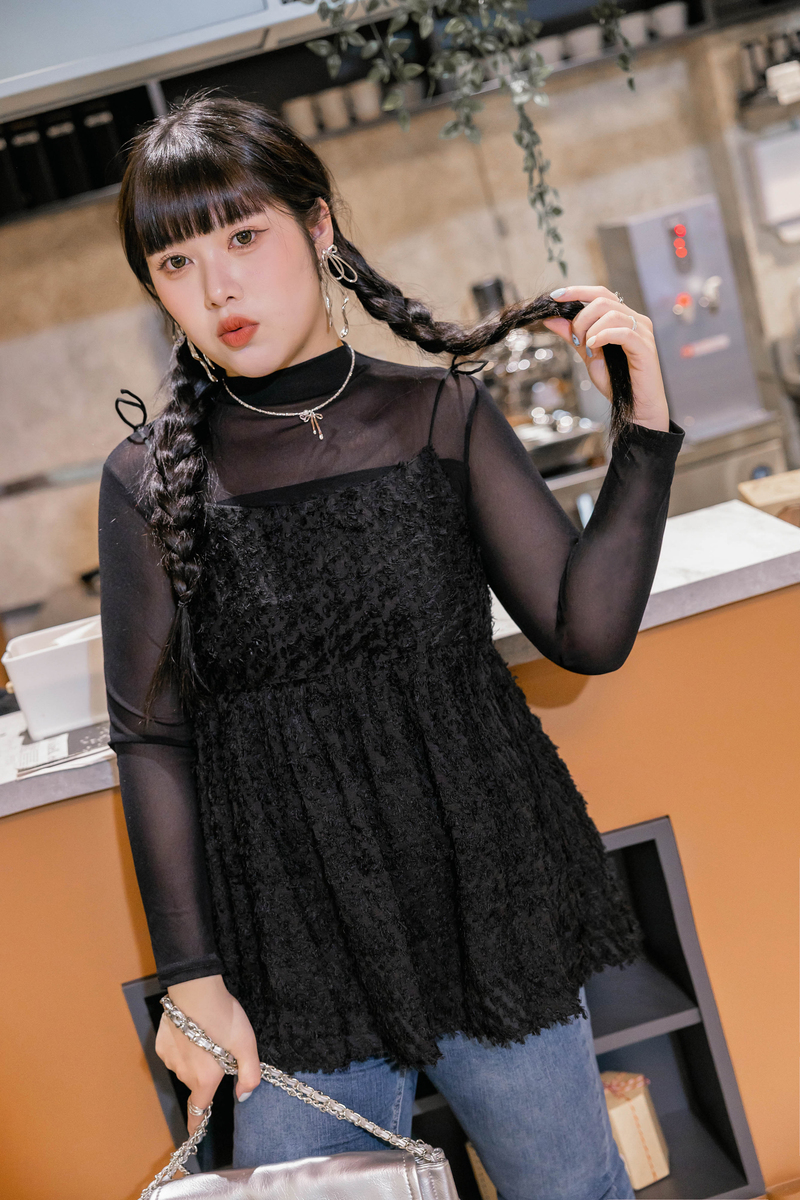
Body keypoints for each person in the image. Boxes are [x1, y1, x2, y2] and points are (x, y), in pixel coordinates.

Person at [98, 94, 684, 1200]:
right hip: (291, 944)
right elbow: (153, 740)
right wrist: (193, 979)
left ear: (318, 227)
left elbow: (585, 631)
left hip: (486, 897)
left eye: (243, 237)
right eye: (175, 263)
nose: (217, 288)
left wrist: (643, 433)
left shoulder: (438, 415)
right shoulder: (146, 482)